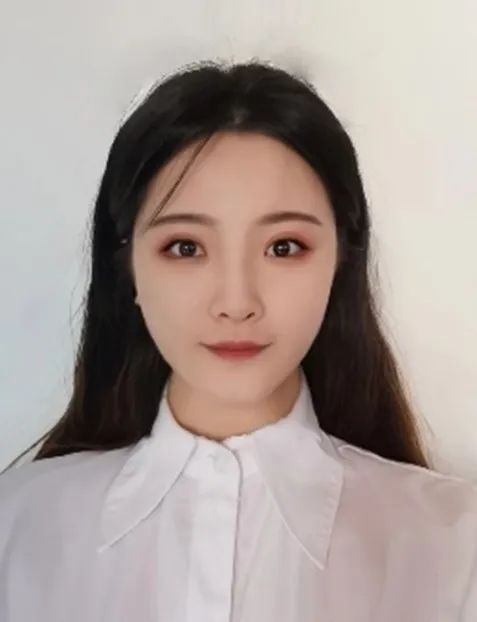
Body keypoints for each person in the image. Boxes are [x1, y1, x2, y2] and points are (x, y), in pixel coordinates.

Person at [0, 59, 476, 622]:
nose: (236, 301)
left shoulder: (455, 549)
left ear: (340, 264)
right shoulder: (17, 527)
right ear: (128, 269)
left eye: (283, 247)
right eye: (185, 247)